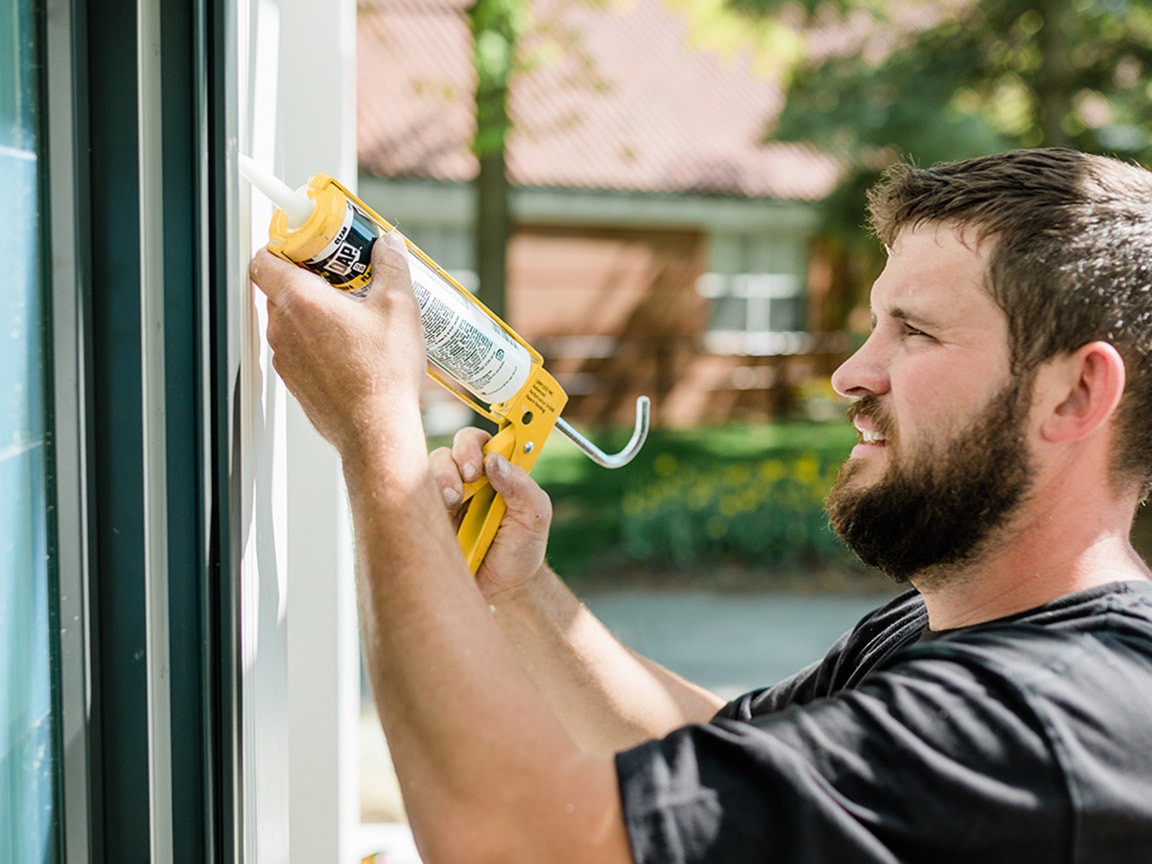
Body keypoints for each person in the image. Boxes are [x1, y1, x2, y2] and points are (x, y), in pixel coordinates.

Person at [249, 148, 1152, 863]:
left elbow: (519, 843)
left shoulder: (1039, 724)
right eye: (875, 322)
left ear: (1073, 396)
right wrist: (520, 594)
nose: (850, 374)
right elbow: (723, 767)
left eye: (913, 331)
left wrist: (378, 441)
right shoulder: (948, 629)